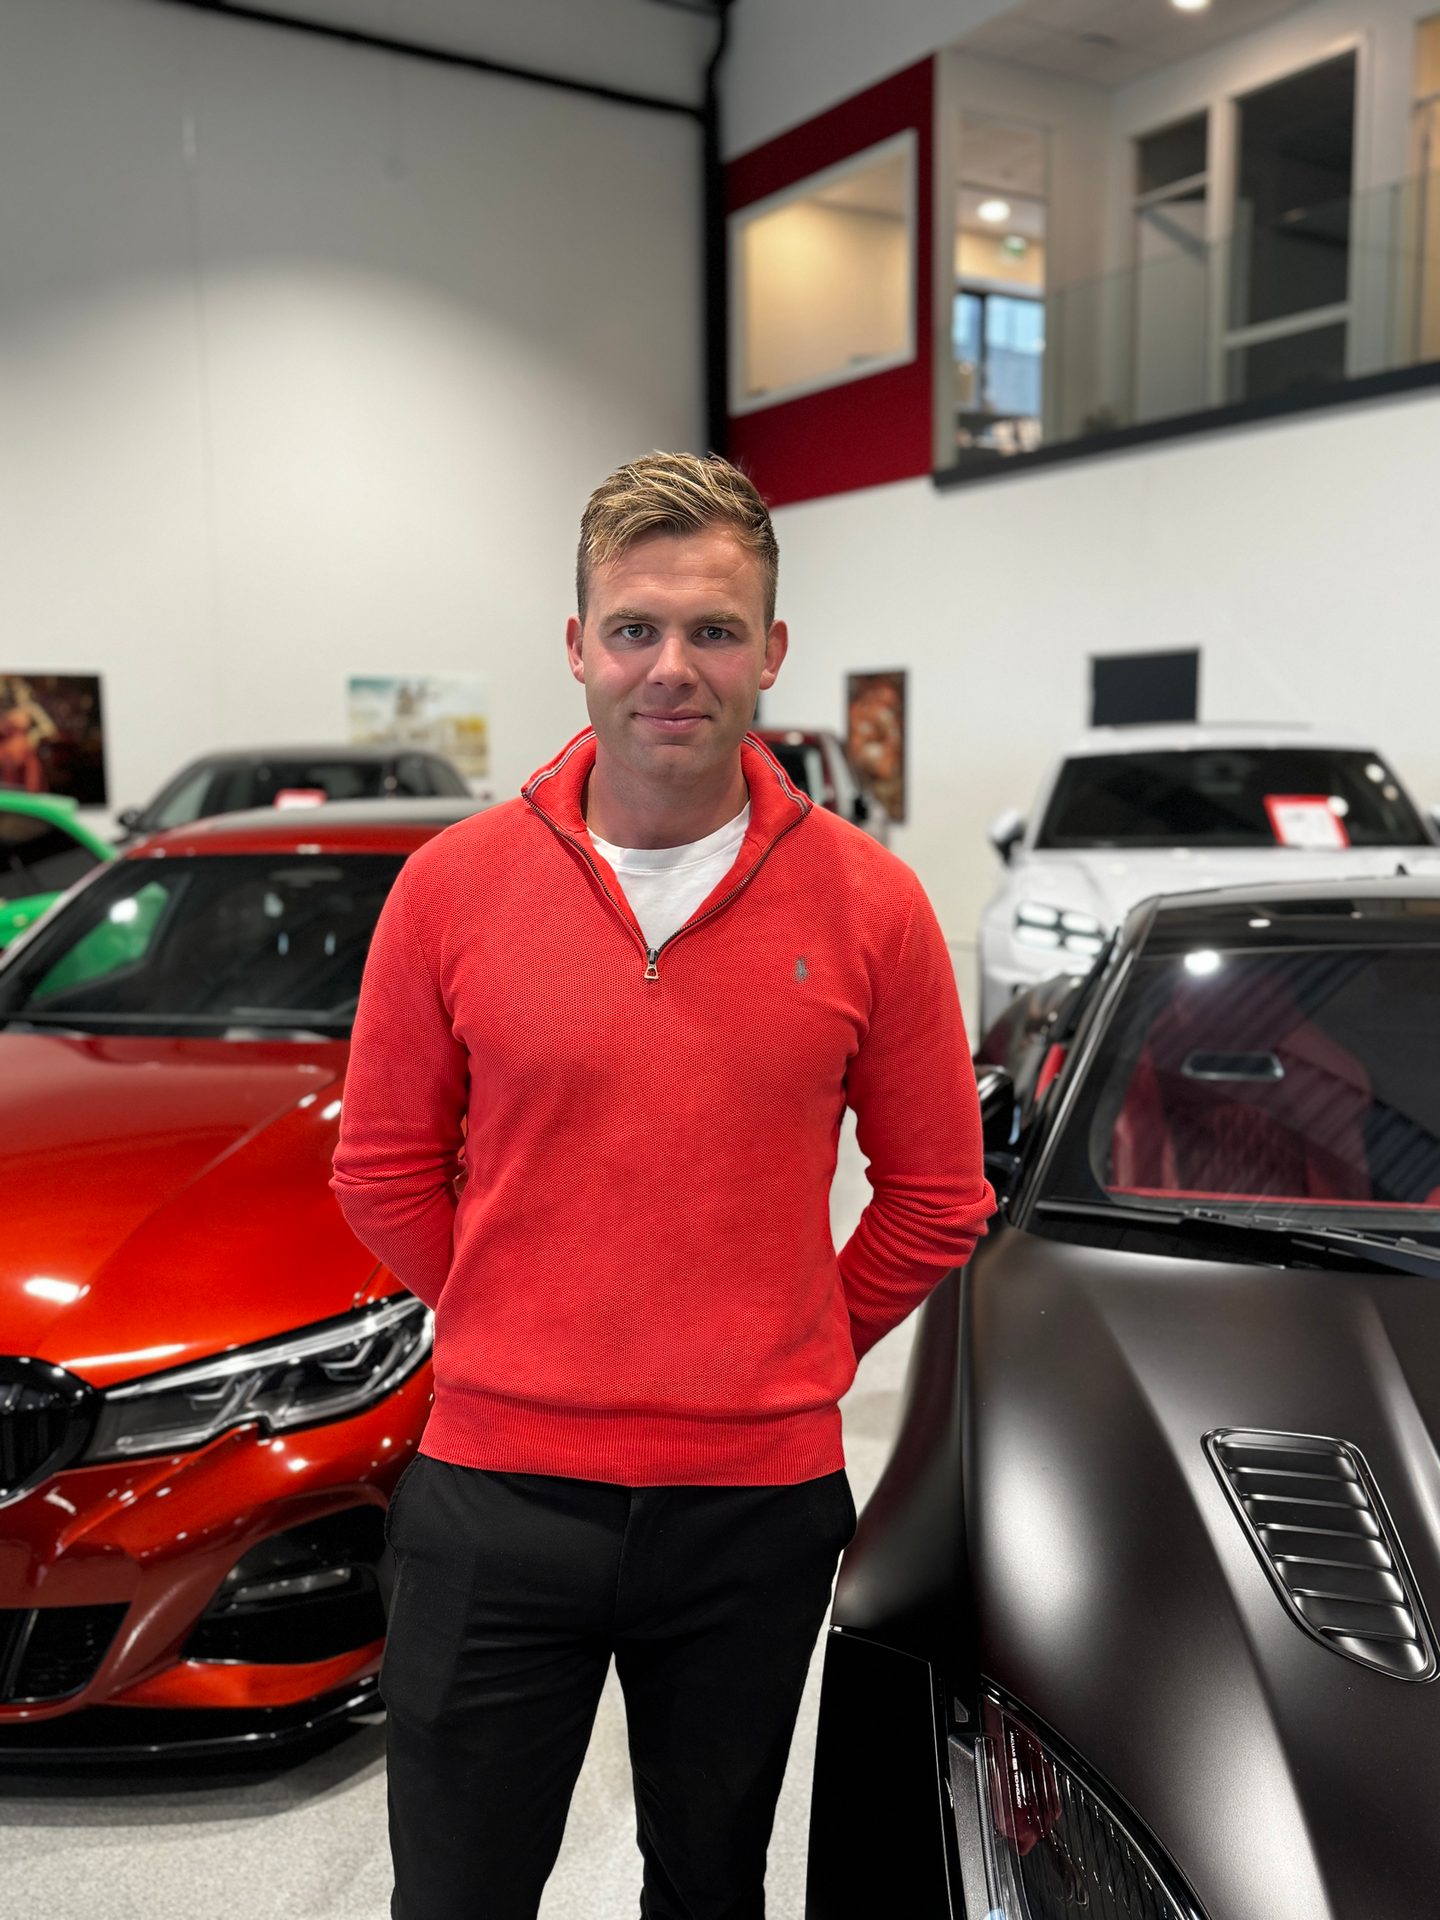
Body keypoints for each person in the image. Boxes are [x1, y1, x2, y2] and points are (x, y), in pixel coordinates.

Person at [331, 451, 994, 1920]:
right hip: (496, 1493)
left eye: (711, 630)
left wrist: (797, 1341)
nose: (670, 667)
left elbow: (938, 1194)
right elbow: (379, 1169)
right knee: (456, 1892)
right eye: (634, 628)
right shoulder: (450, 888)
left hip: (752, 1509)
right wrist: (517, 1311)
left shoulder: (873, 905)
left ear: (770, 650)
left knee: (710, 1887)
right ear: (577, 648)